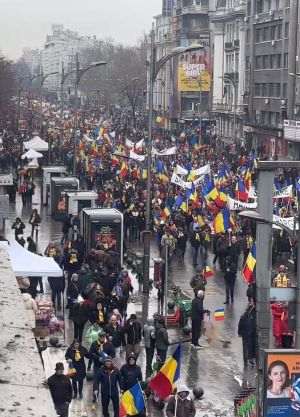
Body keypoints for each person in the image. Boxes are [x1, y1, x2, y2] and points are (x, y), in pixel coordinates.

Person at [238, 300, 256, 367]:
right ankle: (249, 359)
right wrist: (239, 332)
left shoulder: (245, 315)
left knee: (247, 347)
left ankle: (248, 360)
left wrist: (239, 332)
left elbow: (240, 324)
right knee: (248, 347)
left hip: (247, 333)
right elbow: (241, 323)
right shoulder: (247, 315)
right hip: (248, 333)